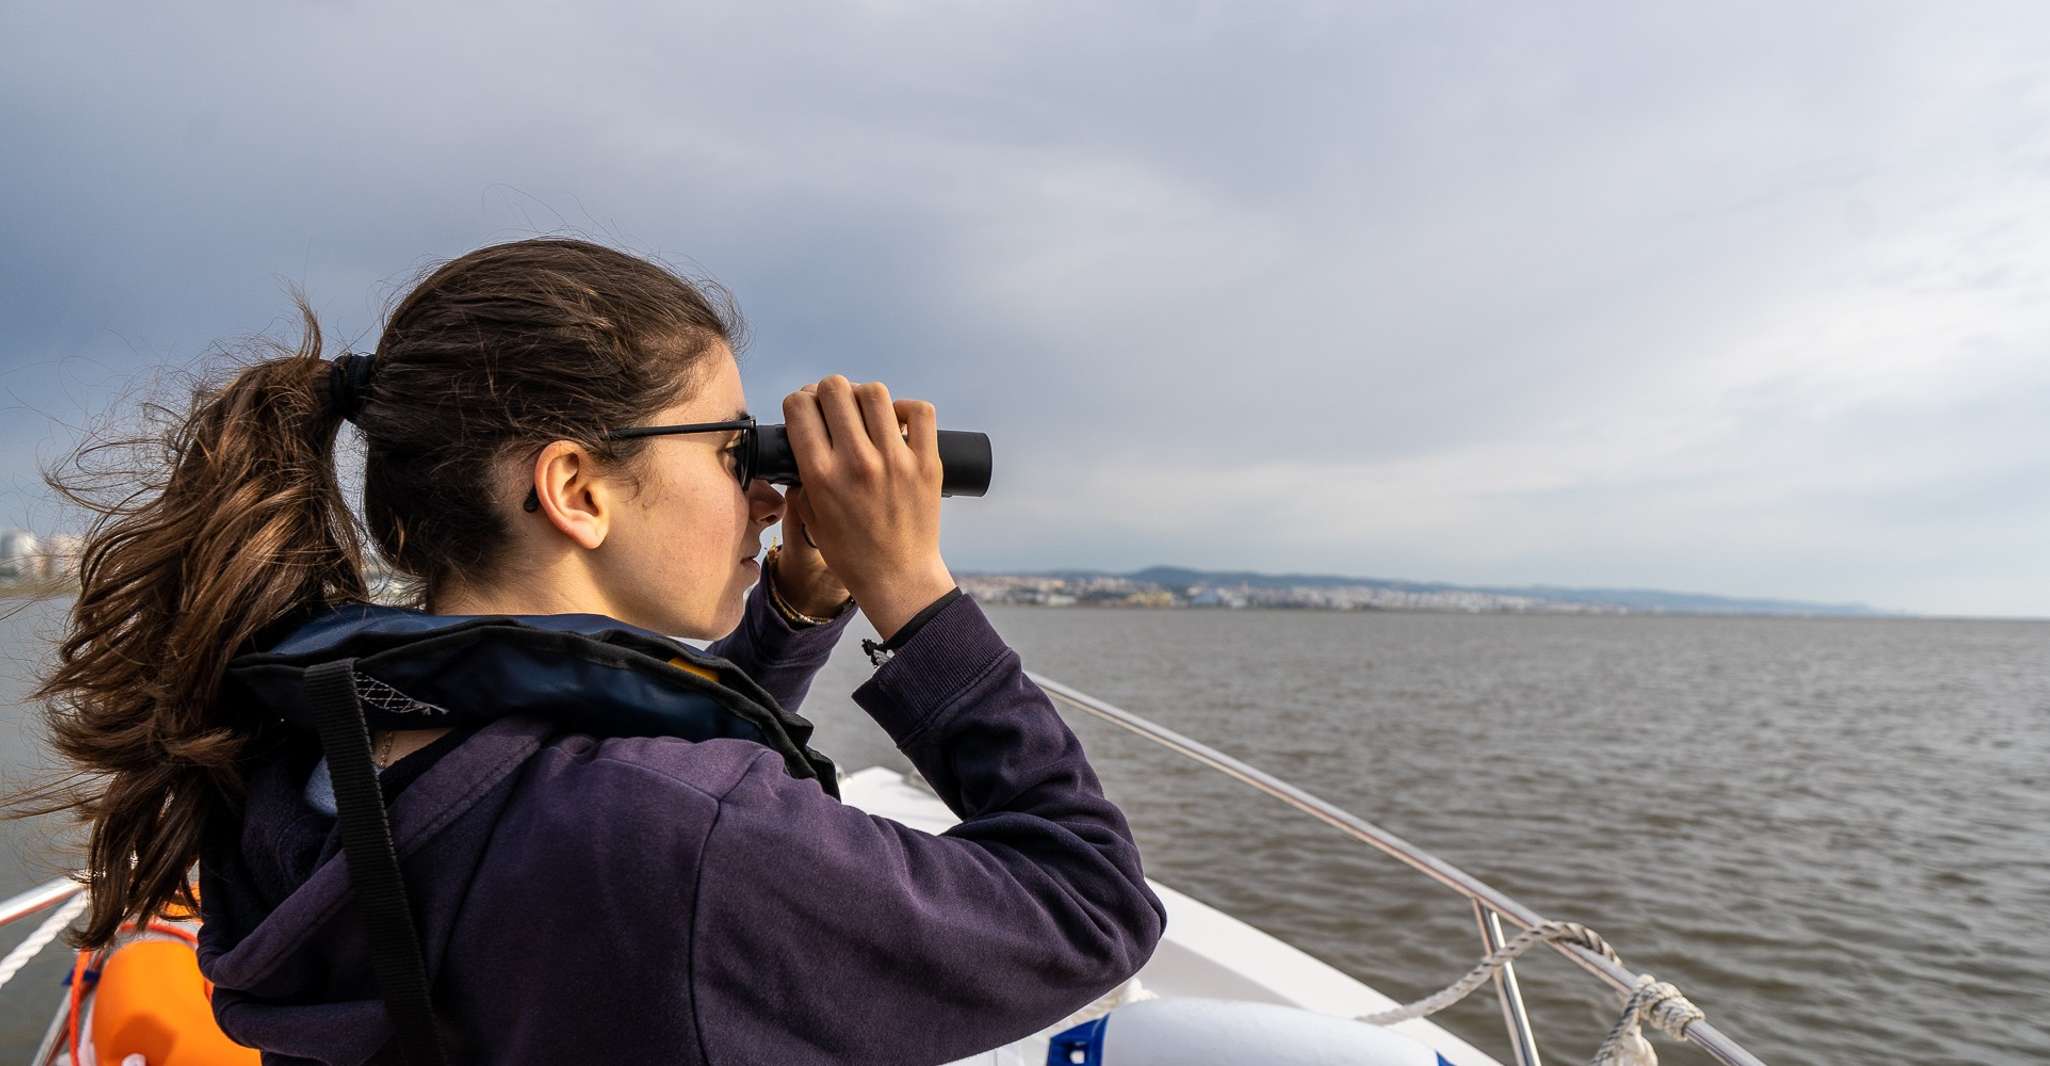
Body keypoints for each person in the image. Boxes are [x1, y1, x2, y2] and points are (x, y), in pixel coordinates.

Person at [26, 238, 1165, 1065]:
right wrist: (910, 590)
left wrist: (799, 613)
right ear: (575, 489)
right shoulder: (666, 832)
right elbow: (1090, 908)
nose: (767, 497)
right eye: (731, 454)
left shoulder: (309, 731)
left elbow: (582, 767)